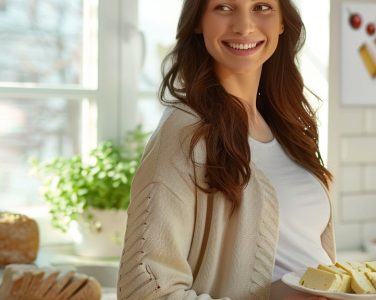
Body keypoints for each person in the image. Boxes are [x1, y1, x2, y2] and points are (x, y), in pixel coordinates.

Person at [116, 0, 334, 299]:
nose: (244, 26)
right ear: (197, 21)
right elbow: (144, 290)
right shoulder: (185, 131)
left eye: (261, 6)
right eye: (223, 7)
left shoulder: (286, 127)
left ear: (283, 21)